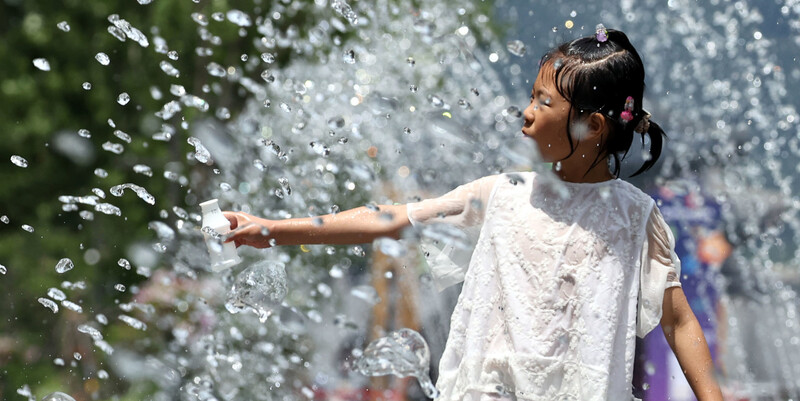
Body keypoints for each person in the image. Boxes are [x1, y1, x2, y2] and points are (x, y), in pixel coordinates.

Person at [223, 27, 723, 401]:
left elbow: (678, 322)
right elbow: (390, 218)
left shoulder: (633, 217)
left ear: (590, 126)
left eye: (542, 101)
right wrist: (272, 230)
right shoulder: (502, 194)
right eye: (531, 96)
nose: (526, 112)